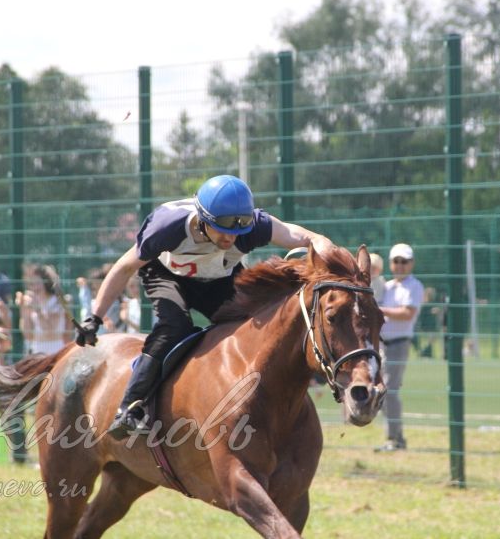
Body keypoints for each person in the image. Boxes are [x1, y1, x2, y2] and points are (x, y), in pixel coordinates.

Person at [77, 174, 333, 439]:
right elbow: (124, 267)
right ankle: (131, 406)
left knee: (252, 326)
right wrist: (94, 317)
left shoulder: (250, 226)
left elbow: (298, 235)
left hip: (218, 279)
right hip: (167, 276)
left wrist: (324, 244)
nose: (230, 236)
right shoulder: (167, 226)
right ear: (202, 219)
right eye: (222, 227)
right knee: (175, 326)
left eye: (241, 226)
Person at [374, 243, 425, 452]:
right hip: (382, 345)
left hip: (399, 344)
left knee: (389, 392)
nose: (400, 265)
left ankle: (395, 439)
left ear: (411, 263)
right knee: (383, 391)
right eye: (396, 261)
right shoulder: (386, 286)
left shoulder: (414, 286)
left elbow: (408, 313)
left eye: (404, 262)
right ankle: (394, 437)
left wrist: (379, 309)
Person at [18, 264, 71, 355]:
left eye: (37, 283)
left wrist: (37, 310)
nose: (34, 287)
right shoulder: (32, 301)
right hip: (37, 350)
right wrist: (23, 309)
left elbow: (50, 330)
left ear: (46, 282)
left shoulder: (57, 302)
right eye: (31, 284)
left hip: (56, 349)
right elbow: (28, 335)